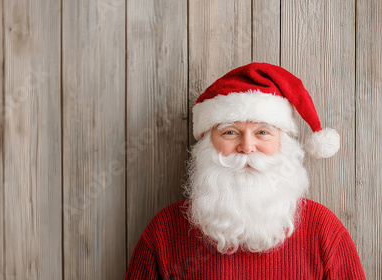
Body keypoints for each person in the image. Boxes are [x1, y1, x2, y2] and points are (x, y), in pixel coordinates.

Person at [125, 62, 366, 279]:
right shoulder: (165, 231)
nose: (247, 147)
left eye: (263, 132)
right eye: (230, 132)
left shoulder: (323, 229)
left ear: (283, 144)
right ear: (207, 144)